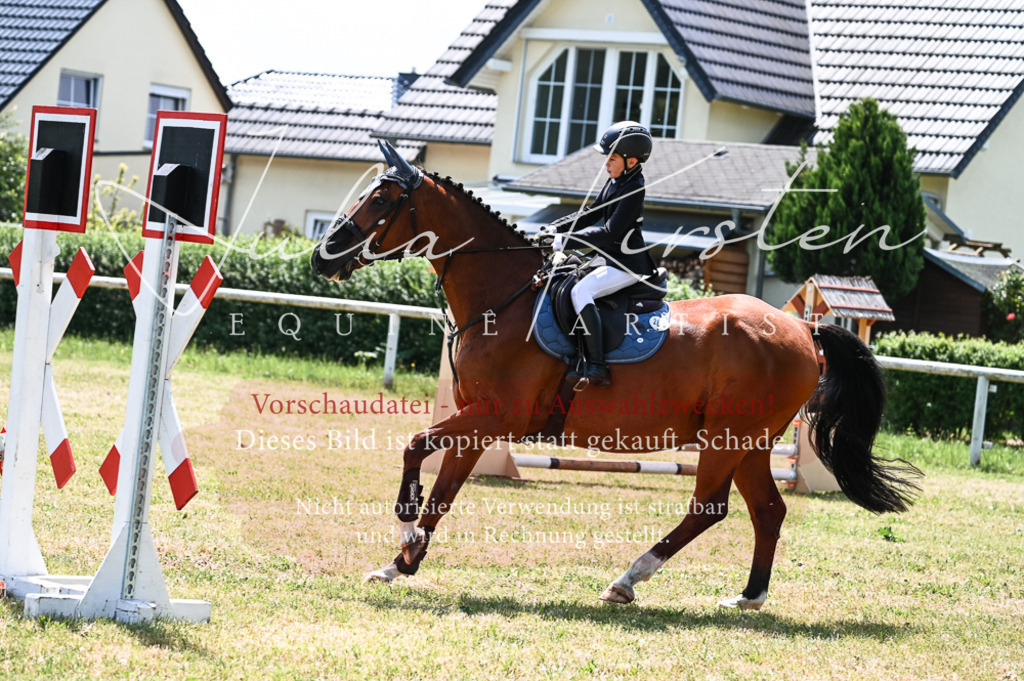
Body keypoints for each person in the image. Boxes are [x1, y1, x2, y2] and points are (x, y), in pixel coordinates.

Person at [547, 121, 657, 388]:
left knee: (581, 292)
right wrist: (555, 227)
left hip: (627, 264)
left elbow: (609, 233)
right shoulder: (616, 181)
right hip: (609, 258)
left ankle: (597, 365)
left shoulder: (633, 189)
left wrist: (565, 241)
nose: (606, 164)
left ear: (631, 161)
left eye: (611, 158)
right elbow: (591, 213)